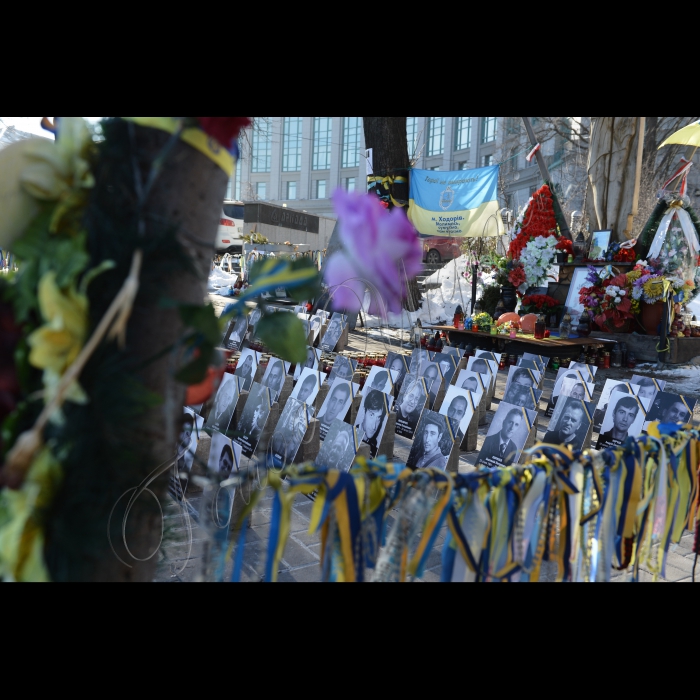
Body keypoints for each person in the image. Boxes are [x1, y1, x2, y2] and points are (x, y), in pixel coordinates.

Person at [356, 390, 387, 458]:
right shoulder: (352, 434)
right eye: (371, 415)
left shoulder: (374, 443)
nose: (374, 427)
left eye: (378, 418)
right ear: (364, 412)